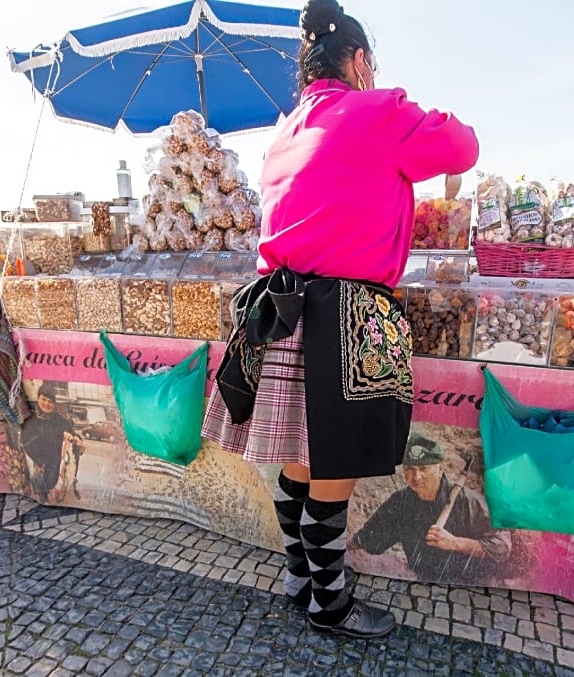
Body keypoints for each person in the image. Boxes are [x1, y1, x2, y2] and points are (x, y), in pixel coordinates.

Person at [201, 0, 478, 640]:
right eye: (370, 63)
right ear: (358, 61)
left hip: (283, 313)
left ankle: (302, 581)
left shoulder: (285, 130)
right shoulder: (379, 109)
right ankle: (330, 603)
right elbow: (461, 147)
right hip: (345, 317)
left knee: (301, 454)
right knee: (335, 466)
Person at [351, 433, 529, 585]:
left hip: (472, 585)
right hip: (425, 581)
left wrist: (454, 543)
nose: (416, 476)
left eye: (424, 468)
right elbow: (369, 537)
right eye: (410, 469)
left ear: (441, 468)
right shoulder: (401, 502)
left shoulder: (467, 502)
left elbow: (502, 547)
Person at [18, 383, 83, 503]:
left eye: (50, 401)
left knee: (53, 494)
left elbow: (73, 435)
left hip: (55, 465)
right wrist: (37, 463)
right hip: (35, 463)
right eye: (44, 399)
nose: (46, 404)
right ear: (38, 398)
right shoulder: (29, 419)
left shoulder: (61, 421)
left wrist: (76, 439)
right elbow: (25, 441)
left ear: (55, 404)